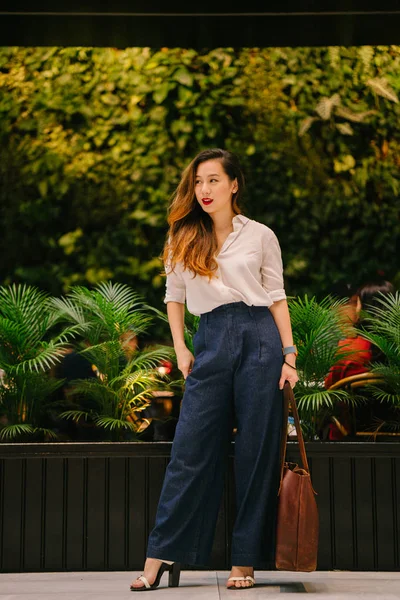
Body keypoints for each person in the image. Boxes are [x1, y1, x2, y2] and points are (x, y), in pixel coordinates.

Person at [130, 148, 298, 591]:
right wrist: (181, 348)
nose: (204, 190)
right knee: (189, 448)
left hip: (259, 337)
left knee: (256, 452)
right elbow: (174, 296)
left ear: (234, 184)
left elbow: (277, 296)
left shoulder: (260, 235)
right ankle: (161, 554)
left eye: (213, 181)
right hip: (210, 339)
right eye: (199, 182)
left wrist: (289, 354)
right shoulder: (183, 235)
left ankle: (244, 561)